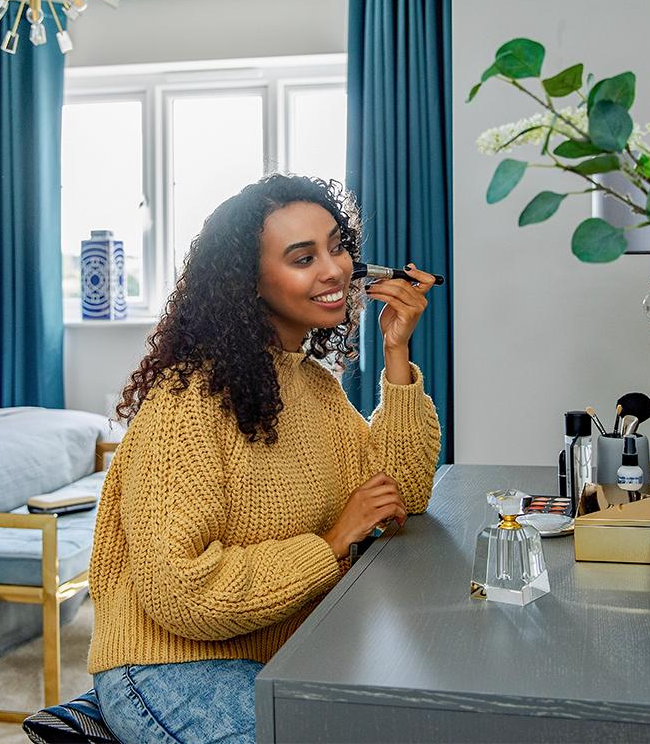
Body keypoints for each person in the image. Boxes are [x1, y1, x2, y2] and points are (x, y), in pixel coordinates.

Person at [86, 173, 441, 743]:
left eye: (337, 246)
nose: (334, 270)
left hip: (278, 657)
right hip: (170, 667)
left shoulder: (315, 389)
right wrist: (328, 545)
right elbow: (179, 591)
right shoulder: (188, 400)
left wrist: (397, 353)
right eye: (303, 258)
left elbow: (402, 495)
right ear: (248, 283)